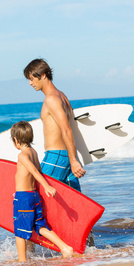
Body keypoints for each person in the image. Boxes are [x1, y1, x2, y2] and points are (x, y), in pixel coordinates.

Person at [10, 121, 73, 262]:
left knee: (20, 230)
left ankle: (22, 260)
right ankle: (64, 248)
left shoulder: (22, 156)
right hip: (33, 195)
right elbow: (39, 170)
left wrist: (46, 186)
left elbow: (33, 171)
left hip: (23, 197)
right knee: (39, 225)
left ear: (16, 141)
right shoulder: (34, 152)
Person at [23, 58, 85, 192]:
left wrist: (74, 161)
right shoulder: (61, 95)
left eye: (32, 79)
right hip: (65, 156)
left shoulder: (51, 99)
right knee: (73, 201)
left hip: (56, 156)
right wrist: (72, 159)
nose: (30, 83)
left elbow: (66, 129)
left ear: (43, 75)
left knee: (39, 193)